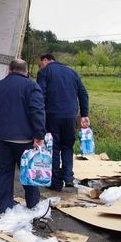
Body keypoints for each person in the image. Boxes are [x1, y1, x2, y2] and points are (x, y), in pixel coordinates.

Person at [0, 59, 46, 214]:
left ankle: (4, 207)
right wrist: (39, 135)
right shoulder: (32, 87)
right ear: (26, 72)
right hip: (25, 140)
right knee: (28, 171)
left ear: (9, 70)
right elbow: (37, 112)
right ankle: (33, 206)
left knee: (5, 171)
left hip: (3, 139)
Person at [36, 53, 90, 192]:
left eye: (40, 63)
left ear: (46, 60)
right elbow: (83, 93)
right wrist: (84, 114)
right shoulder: (72, 72)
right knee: (67, 146)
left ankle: (55, 183)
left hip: (52, 115)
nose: (39, 66)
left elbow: (40, 95)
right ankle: (68, 178)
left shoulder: (44, 72)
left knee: (54, 147)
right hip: (71, 116)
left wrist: (38, 116)